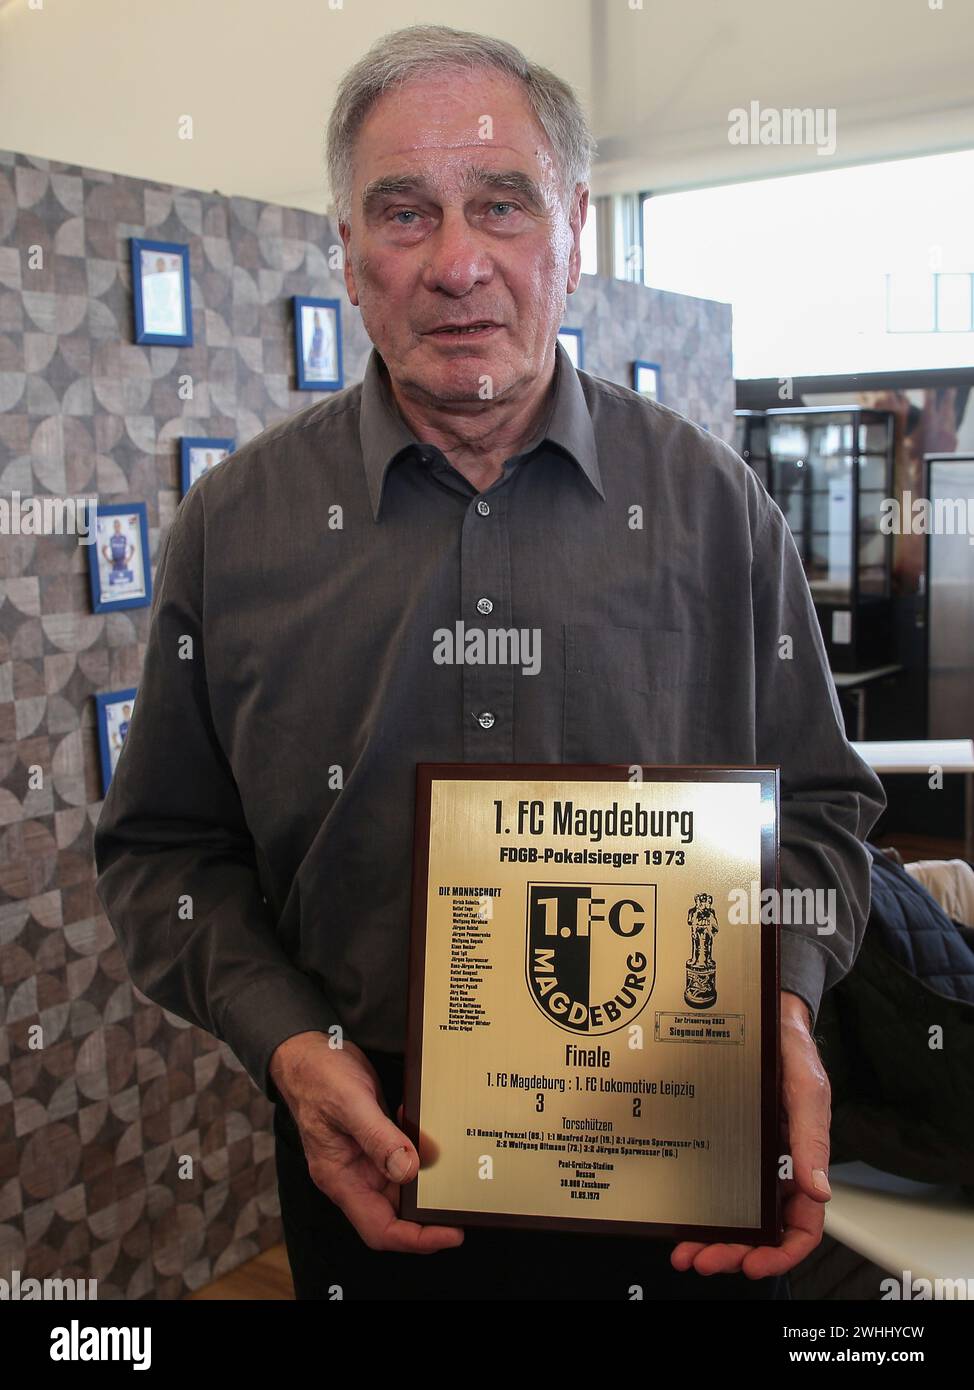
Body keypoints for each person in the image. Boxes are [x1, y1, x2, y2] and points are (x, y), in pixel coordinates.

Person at [94, 24, 886, 1301]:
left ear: (571, 228)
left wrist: (782, 1007)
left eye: (500, 205)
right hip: (373, 1170)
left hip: (676, 1176)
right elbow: (164, 854)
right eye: (403, 213)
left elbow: (826, 811)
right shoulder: (233, 529)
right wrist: (290, 1047)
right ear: (347, 255)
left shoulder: (711, 506)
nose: (457, 263)